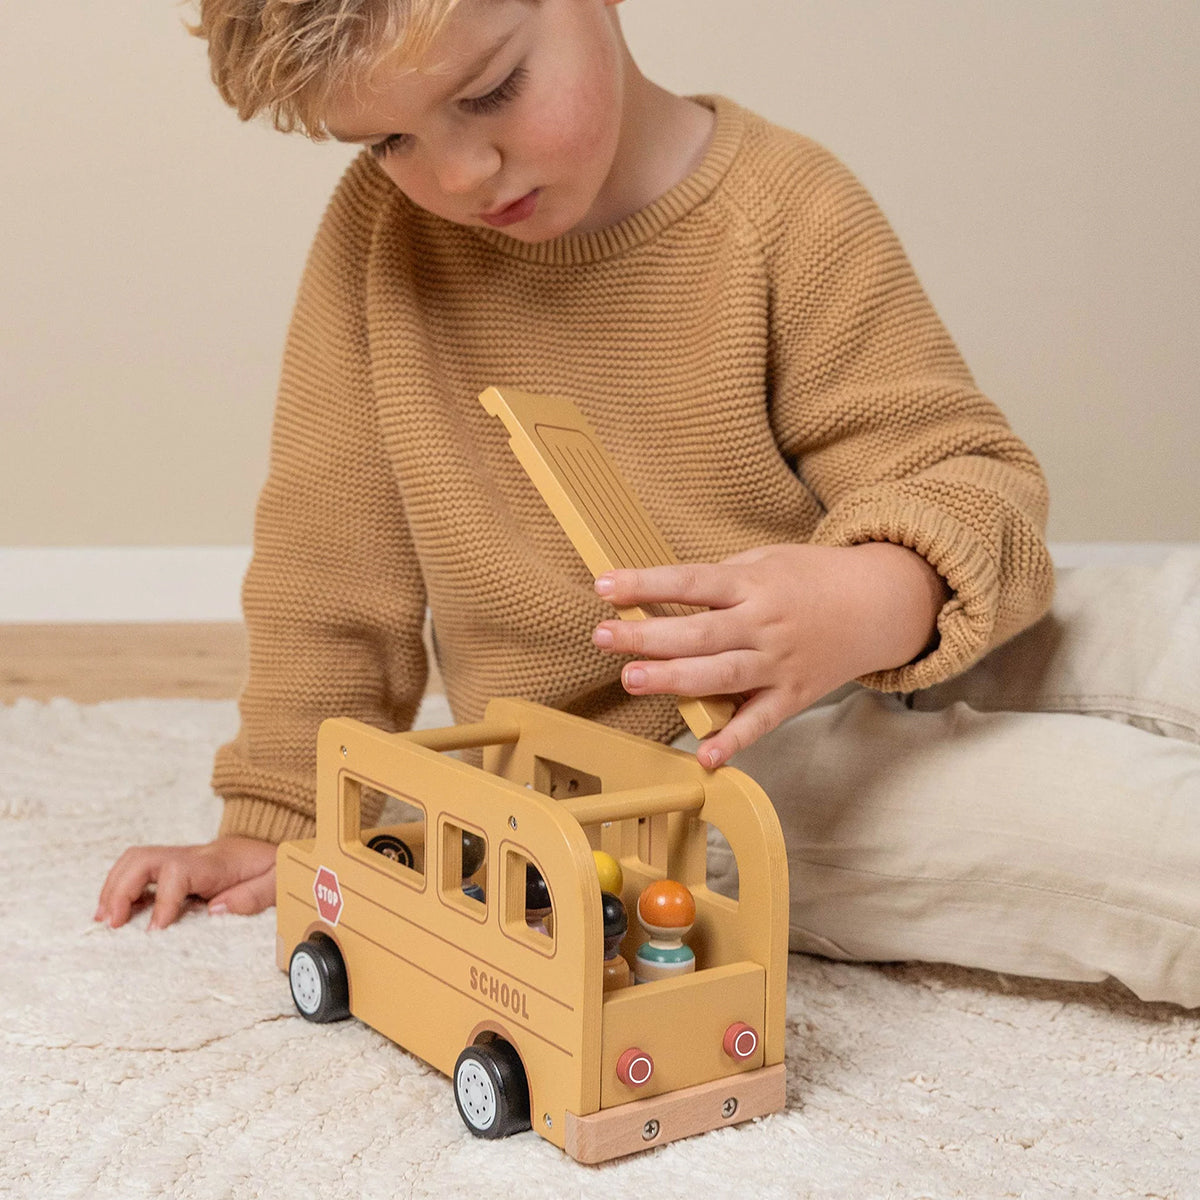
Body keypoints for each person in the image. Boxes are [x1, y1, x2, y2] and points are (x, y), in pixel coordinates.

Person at [95, 0, 1200, 1006]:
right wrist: (279, 816)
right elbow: (328, 562)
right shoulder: (380, 249)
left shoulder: (786, 203)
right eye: (389, 141)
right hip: (661, 787)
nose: (462, 169)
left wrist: (870, 594)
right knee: (1129, 834)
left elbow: (965, 474)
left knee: (1171, 621)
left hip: (865, 631)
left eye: (489, 92)